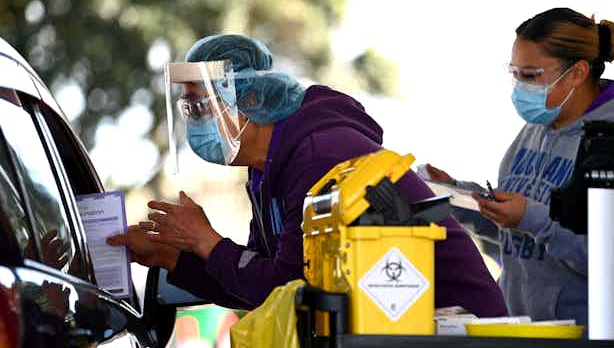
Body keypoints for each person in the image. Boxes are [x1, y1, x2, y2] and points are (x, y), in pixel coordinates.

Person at [107, 34, 506, 319]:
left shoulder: (321, 157)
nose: (194, 123)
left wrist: (205, 241)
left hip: (456, 347)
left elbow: (291, 288)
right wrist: (176, 259)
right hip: (400, 346)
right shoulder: (268, 170)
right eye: (188, 110)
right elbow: (259, 287)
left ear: (247, 99)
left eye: (201, 107)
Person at [427, 8, 614, 326]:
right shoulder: (537, 127)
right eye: (514, 73)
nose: (519, 88)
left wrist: (535, 219)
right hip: (530, 336)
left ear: (577, 73)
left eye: (530, 75)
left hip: (592, 346)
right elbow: (521, 234)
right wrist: (463, 201)